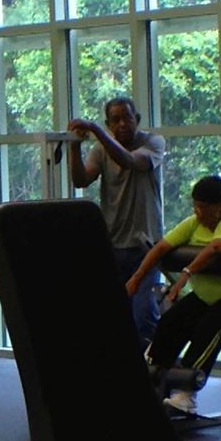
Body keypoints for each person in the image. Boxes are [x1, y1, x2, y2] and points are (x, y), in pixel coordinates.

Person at [130, 174, 221, 411]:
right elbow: (161, 248)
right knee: (170, 321)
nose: (198, 212)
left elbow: (218, 247)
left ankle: (186, 394)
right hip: (209, 298)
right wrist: (135, 279)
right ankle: (152, 380)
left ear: (218, 207)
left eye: (203, 207)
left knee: (209, 326)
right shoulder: (193, 223)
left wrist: (186, 273)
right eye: (195, 206)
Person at [66, 97, 167, 341]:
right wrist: (75, 145)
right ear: (109, 123)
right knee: (113, 317)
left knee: (143, 314)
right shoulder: (101, 150)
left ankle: (153, 370)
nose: (122, 124)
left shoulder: (153, 142)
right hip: (113, 246)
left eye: (127, 118)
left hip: (146, 246)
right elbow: (81, 180)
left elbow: (130, 161)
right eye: (115, 120)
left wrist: (96, 130)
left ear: (137, 120)